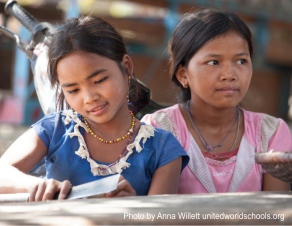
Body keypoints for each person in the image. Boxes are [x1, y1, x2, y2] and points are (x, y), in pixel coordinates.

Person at [0, 16, 189, 201]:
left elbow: (160, 218)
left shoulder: (163, 148)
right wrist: (37, 185)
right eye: (73, 90)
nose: (89, 97)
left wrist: (133, 204)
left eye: (99, 80)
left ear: (126, 67)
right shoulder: (53, 130)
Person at [142, 8, 292, 193]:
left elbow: (275, 214)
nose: (230, 75)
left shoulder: (270, 133)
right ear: (183, 74)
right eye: (214, 62)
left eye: (241, 61)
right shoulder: (159, 130)